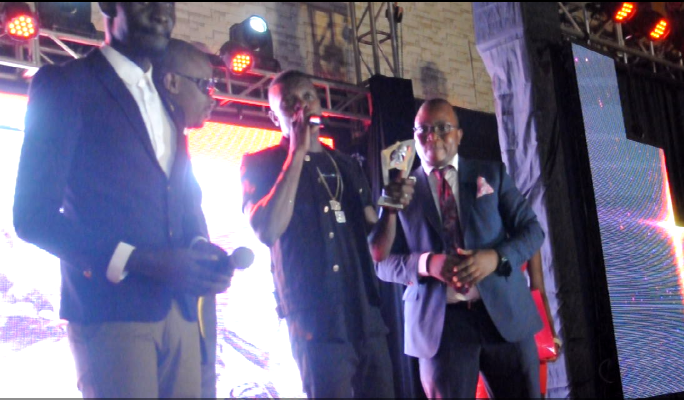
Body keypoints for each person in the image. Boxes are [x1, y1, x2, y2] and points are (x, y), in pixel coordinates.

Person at [13, 3, 231, 397]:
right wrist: (142, 260)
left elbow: (183, 199)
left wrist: (201, 250)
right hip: (110, 311)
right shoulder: (65, 84)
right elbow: (32, 217)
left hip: (179, 311)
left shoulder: (168, 99)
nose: (163, 12)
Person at [369, 98, 545, 398]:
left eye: (442, 128)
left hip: (504, 315)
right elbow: (380, 262)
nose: (432, 136)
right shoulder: (398, 190)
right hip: (441, 327)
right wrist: (427, 263)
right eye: (423, 129)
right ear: (414, 137)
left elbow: (532, 231)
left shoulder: (492, 173)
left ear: (459, 135)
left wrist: (496, 258)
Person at [240, 70, 395, 398]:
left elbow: (378, 248)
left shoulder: (346, 165)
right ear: (275, 117)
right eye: (290, 103)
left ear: (320, 104)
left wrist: (392, 209)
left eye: (308, 97)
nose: (302, 107)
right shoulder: (260, 164)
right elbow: (267, 230)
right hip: (315, 322)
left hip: (365, 315)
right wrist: (297, 152)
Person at [153, 38, 221, 399]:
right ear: (172, 82)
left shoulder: (178, 143)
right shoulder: (143, 141)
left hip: (189, 311)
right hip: (144, 317)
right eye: (204, 85)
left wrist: (202, 249)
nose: (213, 98)